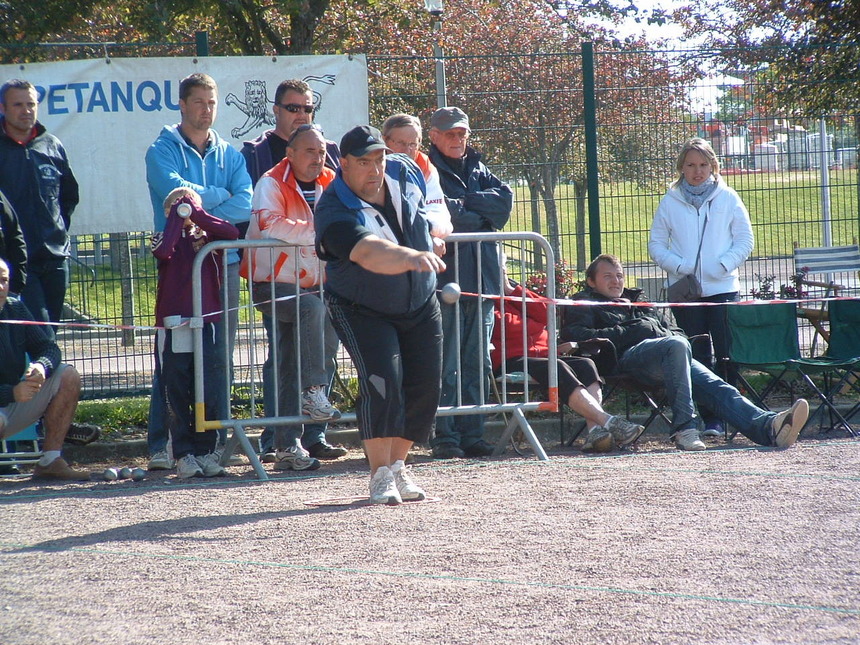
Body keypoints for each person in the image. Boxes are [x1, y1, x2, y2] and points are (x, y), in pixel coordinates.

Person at [315, 125, 445, 505]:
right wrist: (413, 257)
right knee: (383, 382)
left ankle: (399, 466)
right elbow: (369, 252)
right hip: (361, 308)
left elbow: (434, 206)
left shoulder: (406, 169)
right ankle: (379, 474)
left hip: (420, 302)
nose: (374, 170)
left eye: (379, 159)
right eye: (363, 162)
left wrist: (437, 230)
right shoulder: (333, 210)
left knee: (425, 388)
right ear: (343, 165)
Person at [559, 254, 809, 451]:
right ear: (591, 281)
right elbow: (576, 337)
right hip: (625, 359)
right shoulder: (583, 302)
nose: (616, 282)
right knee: (677, 346)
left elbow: (675, 329)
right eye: (608, 276)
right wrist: (635, 329)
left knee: (716, 384)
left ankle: (768, 427)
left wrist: (669, 336)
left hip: (670, 355)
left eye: (620, 276)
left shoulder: (639, 301)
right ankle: (685, 428)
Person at [145, 72, 252, 471]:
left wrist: (201, 209)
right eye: (199, 102)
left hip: (223, 270)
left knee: (216, 359)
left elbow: (245, 202)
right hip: (179, 273)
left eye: (212, 102)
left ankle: (210, 447)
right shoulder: (161, 150)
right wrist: (216, 203)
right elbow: (173, 194)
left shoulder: (231, 154)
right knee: (174, 363)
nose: (207, 110)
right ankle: (165, 445)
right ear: (182, 105)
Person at [241, 79, 345, 463]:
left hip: (319, 282)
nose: (318, 158)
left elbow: (348, 221)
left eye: (321, 151)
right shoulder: (270, 182)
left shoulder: (331, 181)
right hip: (274, 283)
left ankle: (290, 444)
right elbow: (271, 225)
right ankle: (314, 391)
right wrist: (321, 233)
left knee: (291, 357)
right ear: (290, 153)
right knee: (309, 316)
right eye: (309, 152)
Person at [649, 137, 753, 437]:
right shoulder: (669, 201)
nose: (697, 171)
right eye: (691, 165)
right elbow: (656, 245)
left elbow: (745, 241)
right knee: (696, 356)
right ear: (681, 166)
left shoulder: (728, 197)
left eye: (703, 165)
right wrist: (682, 267)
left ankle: (733, 414)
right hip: (686, 291)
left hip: (723, 289)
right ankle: (708, 420)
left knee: (727, 355)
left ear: (713, 166)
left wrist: (720, 266)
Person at [428, 106, 513, 460]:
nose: (457, 139)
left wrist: (467, 206)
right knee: (446, 361)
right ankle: (445, 435)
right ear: (433, 135)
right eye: (450, 133)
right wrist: (475, 211)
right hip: (446, 281)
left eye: (461, 133)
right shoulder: (426, 168)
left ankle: (473, 431)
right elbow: (446, 217)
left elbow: (505, 205)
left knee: (477, 360)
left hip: (483, 280)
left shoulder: (479, 166)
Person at [492, 267, 645, 452]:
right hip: (510, 359)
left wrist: (510, 289)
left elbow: (545, 312)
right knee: (556, 366)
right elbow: (508, 326)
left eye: (504, 270)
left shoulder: (514, 293)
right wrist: (531, 322)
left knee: (585, 364)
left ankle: (595, 432)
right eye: (499, 270)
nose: (502, 274)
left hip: (543, 355)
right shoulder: (485, 300)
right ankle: (608, 421)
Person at [151, 187, 240, 478]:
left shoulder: (207, 236)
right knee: (177, 387)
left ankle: (206, 451)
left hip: (208, 321)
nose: (186, 212)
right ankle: (183, 453)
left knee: (209, 387)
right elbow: (165, 252)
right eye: (179, 207)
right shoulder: (163, 235)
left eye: (190, 206)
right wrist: (177, 218)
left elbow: (231, 233)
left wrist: (198, 215)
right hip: (176, 323)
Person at [0, 258, 89, 481]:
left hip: (11, 404)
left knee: (67, 375)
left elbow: (48, 348)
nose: (1, 288)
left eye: (4, 280)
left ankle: (50, 460)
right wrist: (11, 393)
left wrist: (41, 366)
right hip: (8, 398)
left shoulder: (15, 307)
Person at [0, 79, 78, 326]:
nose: (26, 110)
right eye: (18, 105)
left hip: (54, 258)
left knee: (49, 333)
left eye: (31, 104)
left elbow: (68, 197)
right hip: (16, 261)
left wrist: (57, 233)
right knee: (39, 331)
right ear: (3, 108)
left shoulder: (52, 145)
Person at [242, 78, 340, 184]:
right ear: (276, 111)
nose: (302, 115)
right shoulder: (254, 154)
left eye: (308, 109)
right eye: (293, 108)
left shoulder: (330, 150)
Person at [381, 113, 452, 239]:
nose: (407, 150)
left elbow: (438, 212)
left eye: (413, 144)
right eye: (400, 143)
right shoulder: (374, 164)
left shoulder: (425, 167)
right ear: (385, 141)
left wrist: (429, 233)